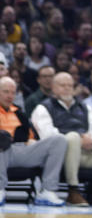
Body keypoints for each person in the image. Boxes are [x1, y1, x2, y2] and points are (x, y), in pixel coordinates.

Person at [30, 72, 92, 207]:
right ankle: (73, 190)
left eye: (70, 85)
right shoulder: (44, 107)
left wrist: (91, 140)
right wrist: (79, 138)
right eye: (62, 85)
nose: (67, 88)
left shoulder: (84, 107)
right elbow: (47, 135)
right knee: (72, 137)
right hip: (61, 156)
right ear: (53, 87)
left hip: (88, 152)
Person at [0, 76, 66, 206]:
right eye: (5, 91)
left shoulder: (19, 112)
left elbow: (30, 136)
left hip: (22, 151)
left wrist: (30, 140)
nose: (10, 95)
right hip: (3, 151)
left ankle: (47, 191)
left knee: (59, 140)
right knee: (2, 140)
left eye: (13, 92)